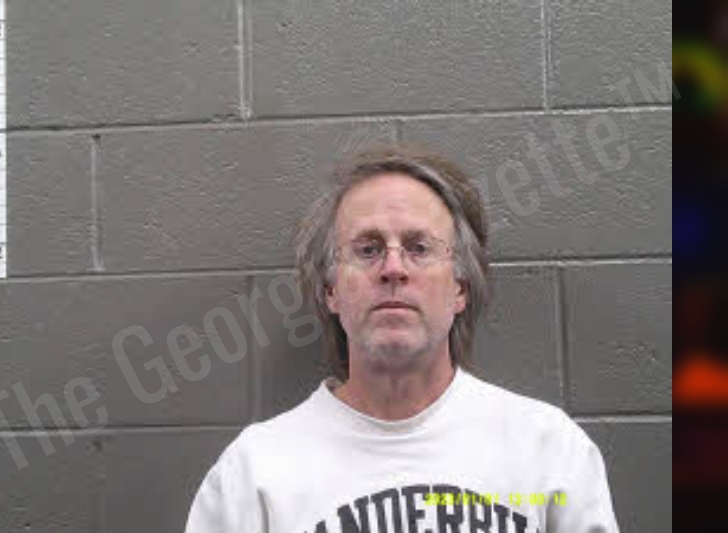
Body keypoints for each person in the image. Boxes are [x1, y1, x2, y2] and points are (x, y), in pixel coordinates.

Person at [184, 142, 620, 533]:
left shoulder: (549, 453)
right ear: (331, 289)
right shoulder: (254, 475)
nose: (393, 268)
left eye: (419, 248)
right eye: (367, 249)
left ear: (460, 288)